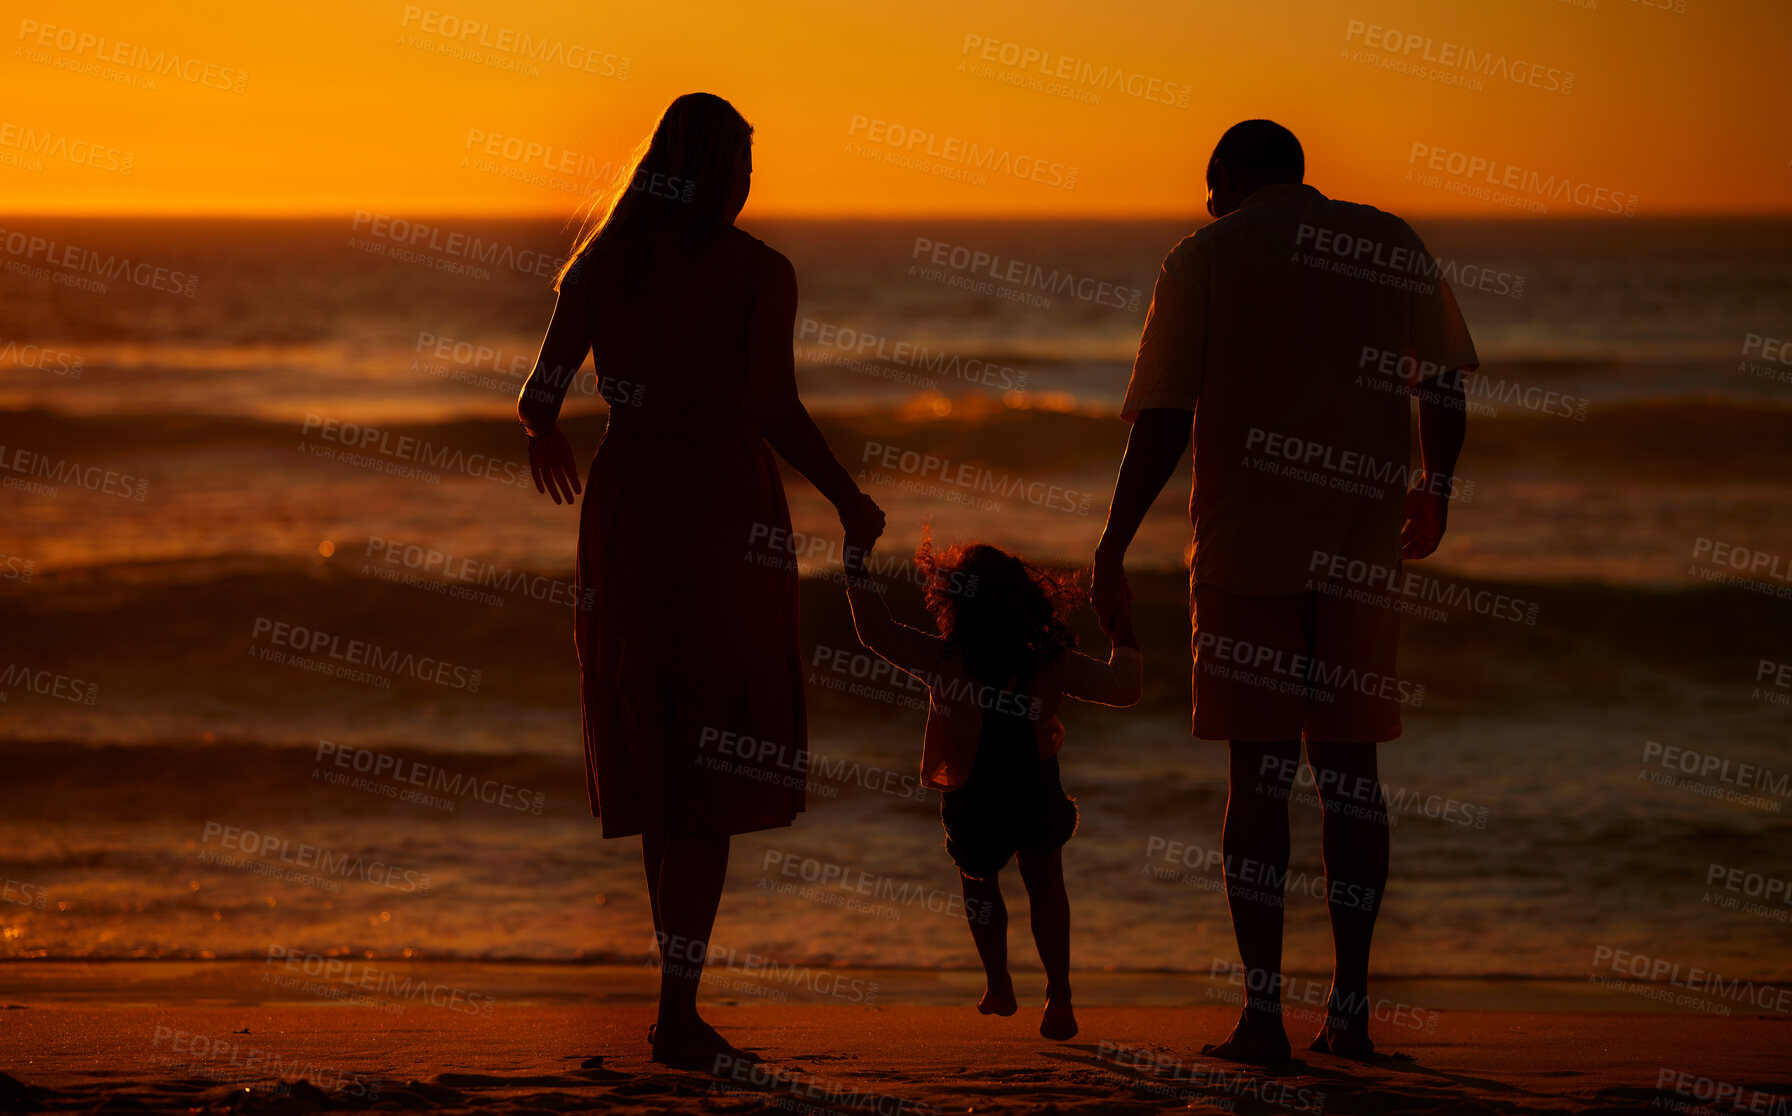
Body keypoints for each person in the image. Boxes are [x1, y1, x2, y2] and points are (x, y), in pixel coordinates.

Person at [1090, 119, 1476, 1062]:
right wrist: (1437, 487)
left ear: (1224, 180)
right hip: (1360, 549)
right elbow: (1445, 378)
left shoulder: (1205, 256)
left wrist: (1113, 541)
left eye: (1209, 187)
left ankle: (1262, 1016)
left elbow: (1166, 415)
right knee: (1352, 780)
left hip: (1243, 550)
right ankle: (1349, 1013)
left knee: (1256, 785)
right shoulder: (1386, 239)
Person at [516, 92, 885, 1066]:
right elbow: (772, 405)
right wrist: (849, 498)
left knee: (659, 738)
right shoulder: (756, 270)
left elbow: (536, 396)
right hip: (722, 503)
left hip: (630, 503)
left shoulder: (602, 264)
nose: (748, 186)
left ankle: (675, 1004)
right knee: (716, 752)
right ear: (723, 172)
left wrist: (547, 436)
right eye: (744, 167)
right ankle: (678, 1011)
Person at [843, 528, 1141, 1041]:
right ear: (1026, 602)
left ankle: (999, 984)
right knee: (1047, 887)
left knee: (978, 883)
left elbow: (876, 632)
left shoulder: (942, 658)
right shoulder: (1050, 662)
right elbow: (1125, 689)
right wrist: (1122, 632)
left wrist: (855, 565)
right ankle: (1060, 999)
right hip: (1035, 789)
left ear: (952, 603)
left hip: (971, 795)